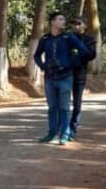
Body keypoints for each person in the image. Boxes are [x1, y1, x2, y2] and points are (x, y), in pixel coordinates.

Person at [33, 12, 88, 145]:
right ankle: (52, 133)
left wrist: (70, 63)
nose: (64, 22)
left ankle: (64, 135)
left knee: (64, 107)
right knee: (52, 107)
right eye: (60, 19)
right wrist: (43, 66)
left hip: (65, 77)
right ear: (53, 22)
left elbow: (83, 51)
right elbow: (37, 55)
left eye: (64, 19)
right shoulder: (45, 39)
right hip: (49, 78)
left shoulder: (68, 37)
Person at [68, 15, 96, 140]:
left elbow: (91, 55)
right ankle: (62, 129)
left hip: (79, 75)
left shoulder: (90, 39)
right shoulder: (67, 38)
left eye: (78, 23)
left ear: (84, 25)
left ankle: (72, 130)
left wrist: (78, 46)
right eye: (73, 23)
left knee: (77, 104)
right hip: (65, 75)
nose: (75, 25)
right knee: (61, 104)